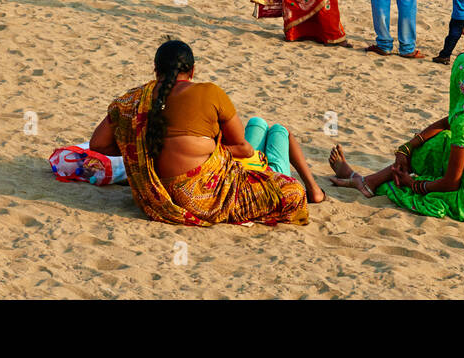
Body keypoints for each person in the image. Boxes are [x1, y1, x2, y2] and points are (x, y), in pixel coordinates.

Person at [88, 40, 315, 226]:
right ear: (193, 70)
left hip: (155, 197)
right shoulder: (209, 92)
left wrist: (138, 150)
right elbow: (244, 148)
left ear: (156, 70)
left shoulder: (132, 100)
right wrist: (212, 148)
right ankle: (313, 188)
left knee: (262, 128)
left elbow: (97, 145)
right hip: (205, 198)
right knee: (293, 191)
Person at [327, 52, 464, 224]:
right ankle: (367, 181)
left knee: (432, 152)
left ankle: (367, 182)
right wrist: (407, 147)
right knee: (440, 140)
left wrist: (413, 184)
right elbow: (445, 122)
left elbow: (450, 184)